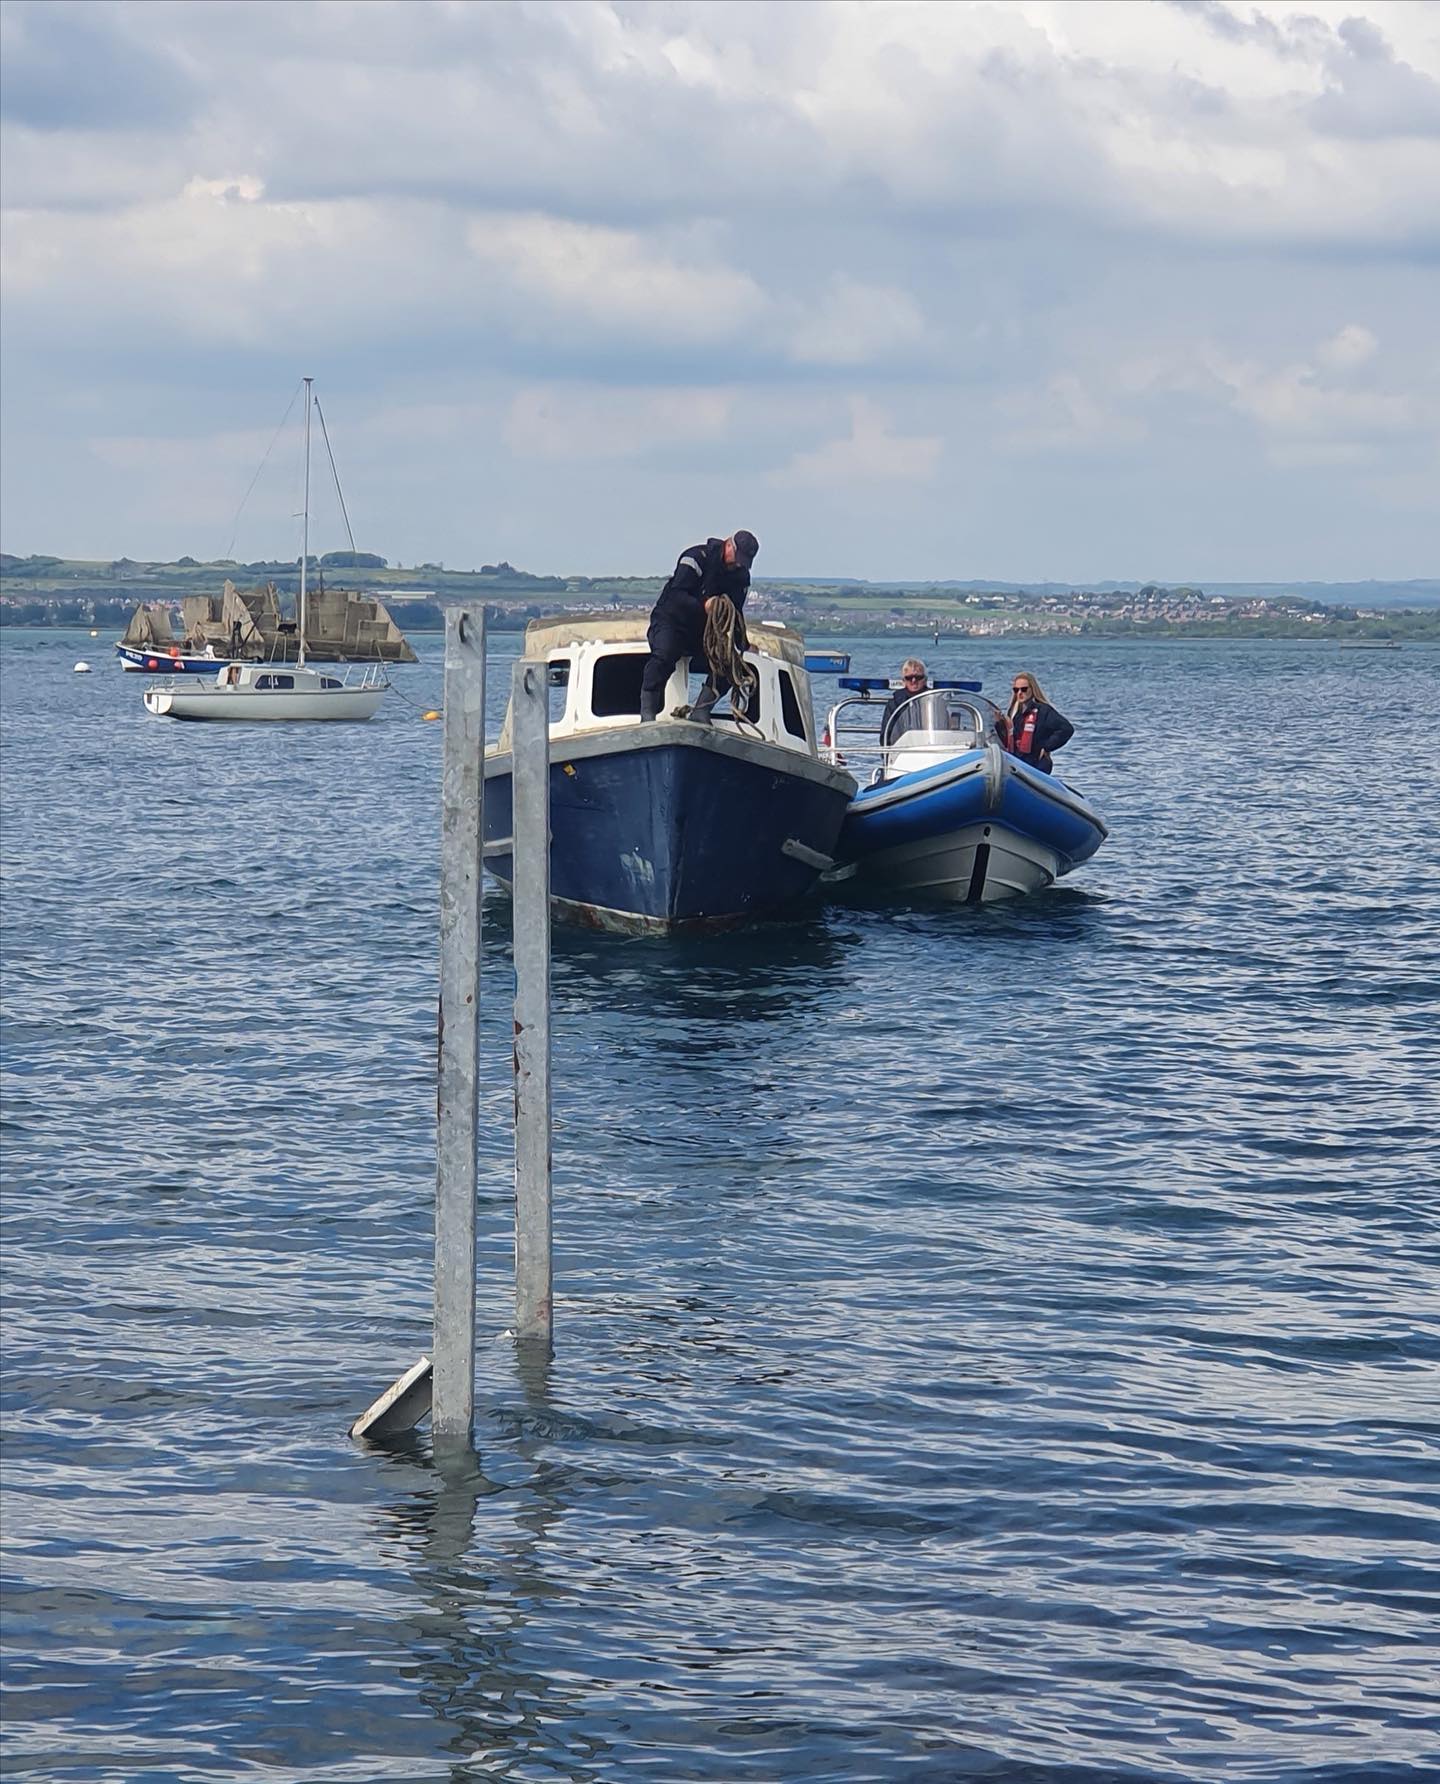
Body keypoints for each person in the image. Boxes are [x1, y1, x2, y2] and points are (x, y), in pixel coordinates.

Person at [639, 531, 759, 723]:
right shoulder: (696, 558)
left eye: (743, 562)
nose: (738, 564)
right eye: (737, 558)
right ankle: (647, 713)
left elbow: (735, 612)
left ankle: (701, 710)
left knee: (730, 664)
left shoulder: (741, 577)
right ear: (729, 545)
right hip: (672, 621)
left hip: (702, 632)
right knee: (664, 656)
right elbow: (677, 595)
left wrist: (742, 644)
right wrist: (704, 605)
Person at [1001, 671, 1073, 773]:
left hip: (1037, 763)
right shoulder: (1014, 712)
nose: (1020, 693)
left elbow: (1066, 729)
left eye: (1024, 689)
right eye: (1016, 690)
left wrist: (1047, 747)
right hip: (1018, 762)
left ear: (1032, 689)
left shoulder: (1043, 710)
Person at [881, 659, 929, 745]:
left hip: (930, 746)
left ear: (925, 679)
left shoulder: (935, 699)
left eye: (918, 677)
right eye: (909, 678)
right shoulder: (895, 703)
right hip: (903, 748)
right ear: (904, 680)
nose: (913, 680)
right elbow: (885, 736)